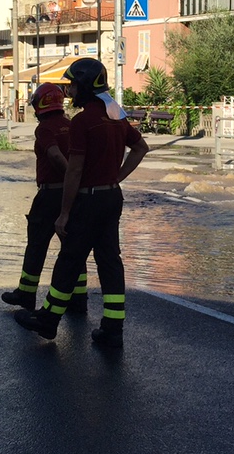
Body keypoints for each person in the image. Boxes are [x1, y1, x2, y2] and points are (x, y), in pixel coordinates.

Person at [14, 58, 148, 348]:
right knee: (110, 262)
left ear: (85, 85)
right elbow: (140, 147)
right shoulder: (117, 116)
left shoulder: (82, 121)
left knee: (69, 259)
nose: (71, 92)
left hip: (88, 200)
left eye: (73, 85)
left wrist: (63, 213)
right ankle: (113, 328)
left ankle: (48, 320)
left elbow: (74, 170)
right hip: (112, 197)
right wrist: (118, 176)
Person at [0, 82, 88, 314]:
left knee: (37, 245)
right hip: (73, 194)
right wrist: (75, 184)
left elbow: (55, 156)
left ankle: (26, 293)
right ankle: (78, 299)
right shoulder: (70, 125)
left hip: (50, 194)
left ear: (41, 103)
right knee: (72, 247)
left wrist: (68, 176)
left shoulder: (45, 129)